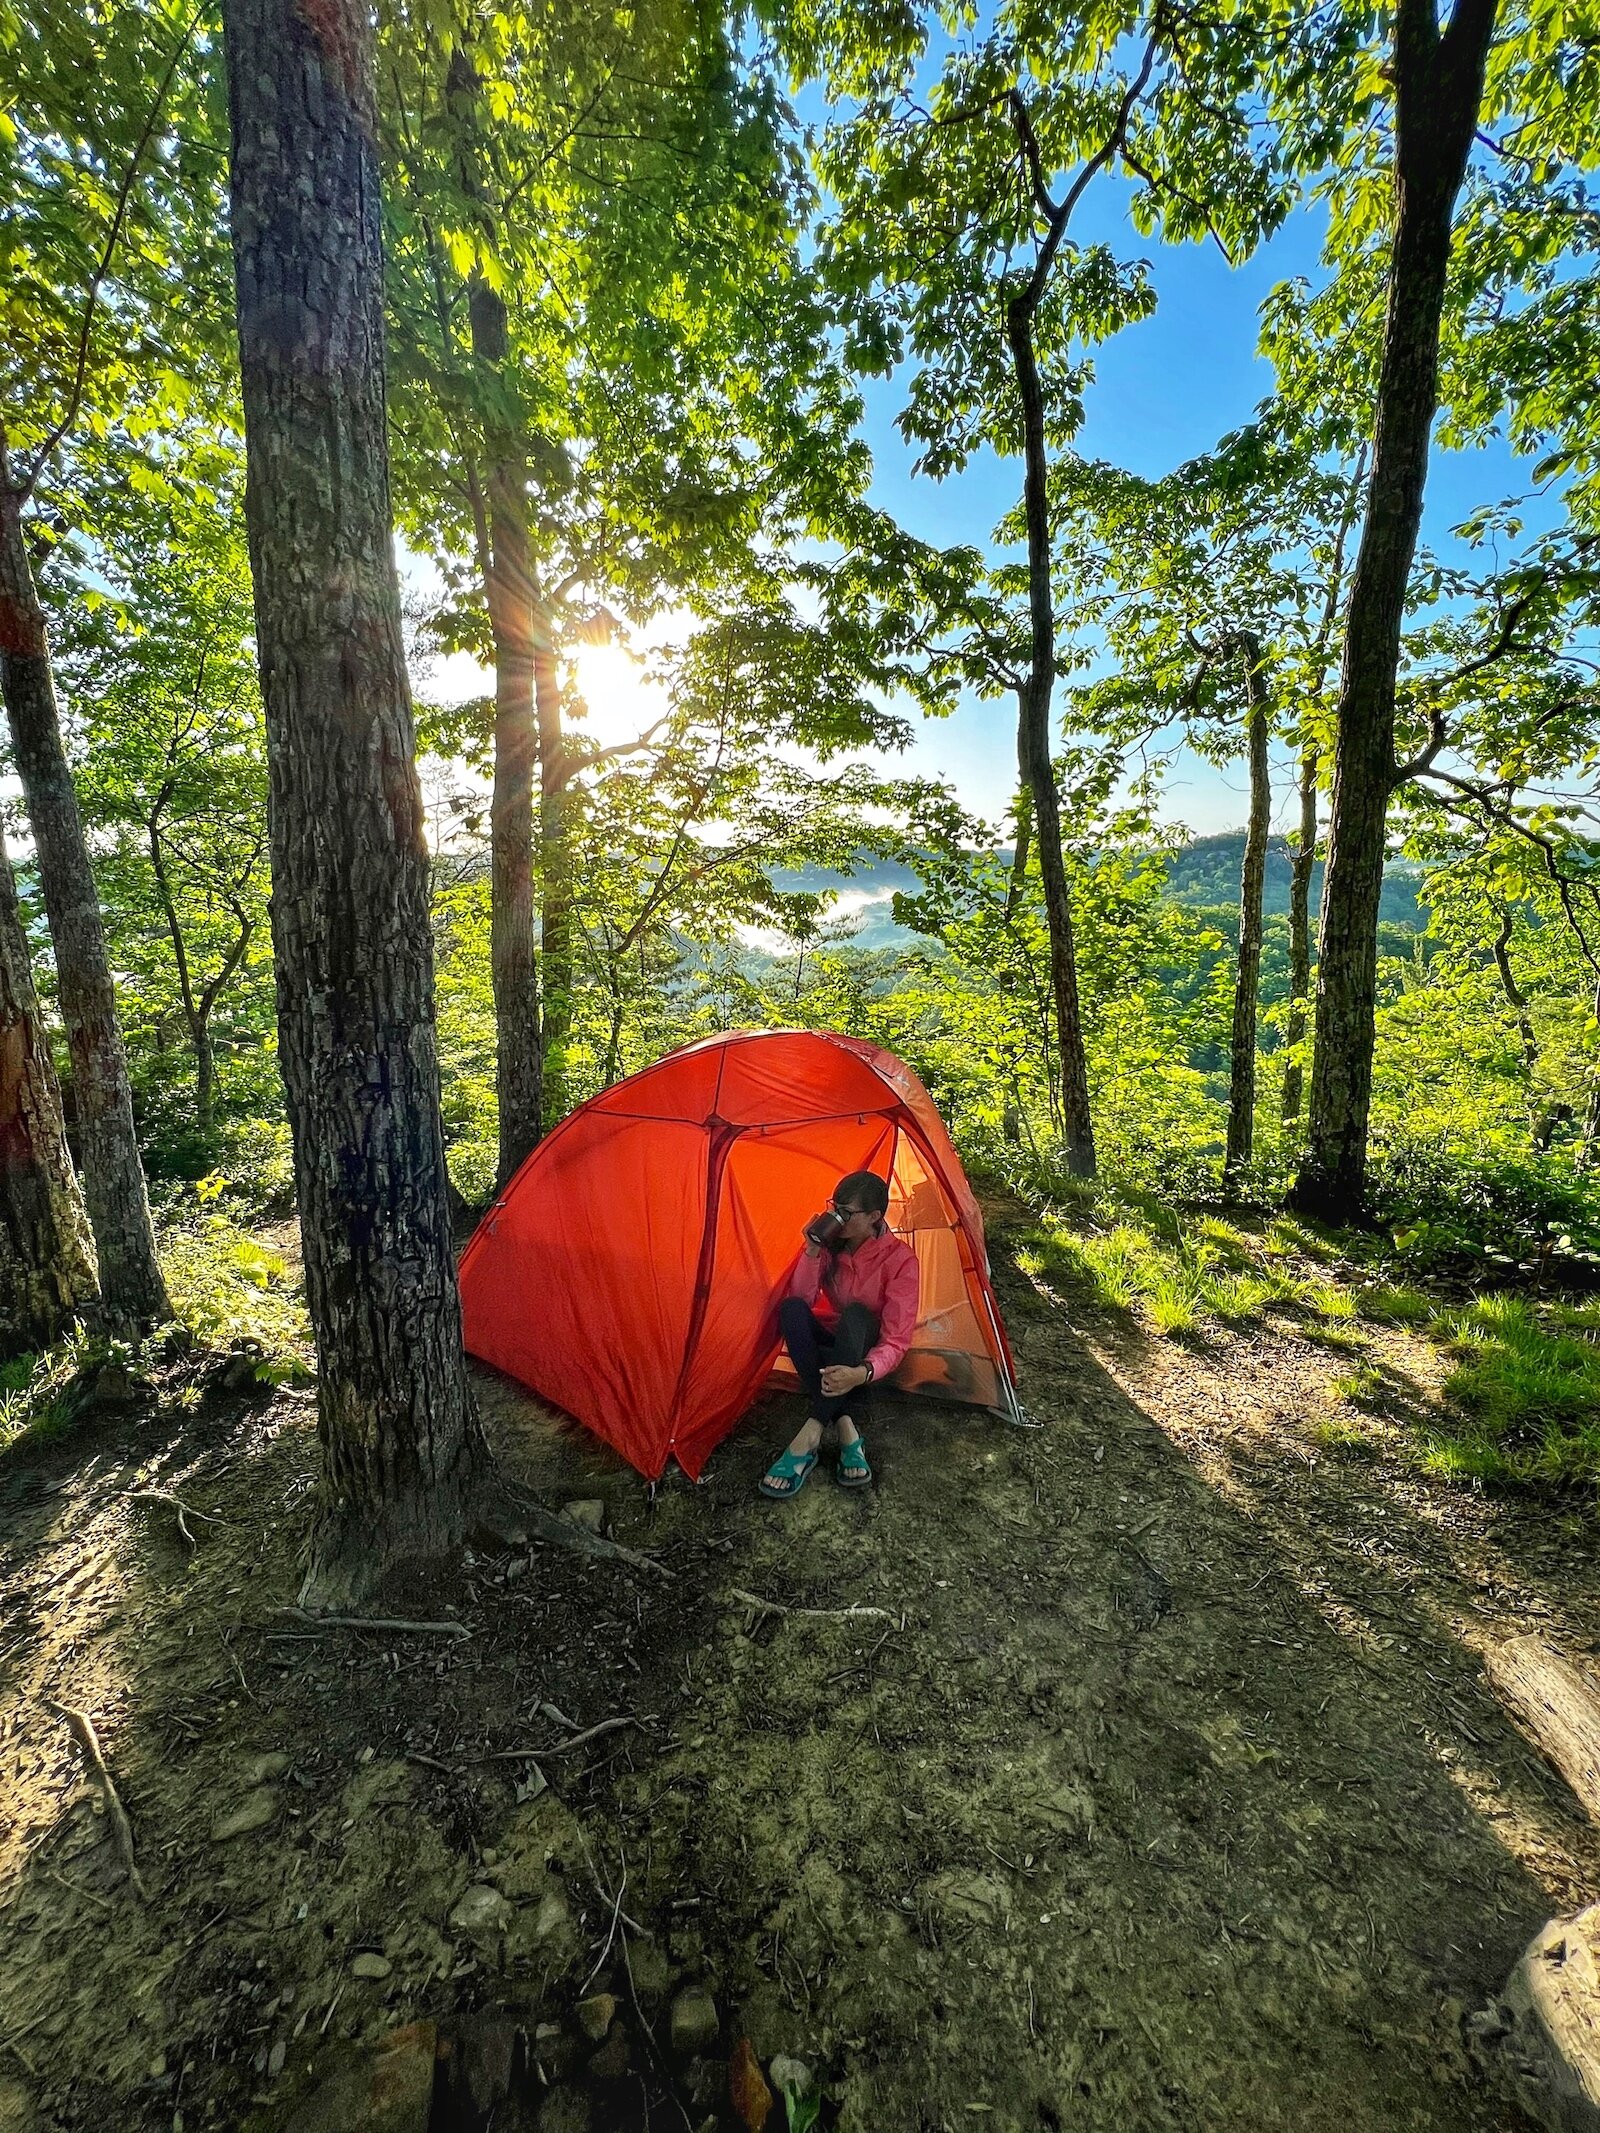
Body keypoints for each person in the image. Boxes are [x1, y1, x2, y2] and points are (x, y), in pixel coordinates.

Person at [759, 1169, 920, 1499]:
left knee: (857, 1313)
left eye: (847, 1212)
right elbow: (803, 1300)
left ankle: (810, 1432)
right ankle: (846, 1425)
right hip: (834, 1343)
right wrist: (812, 1250)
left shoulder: (900, 1260)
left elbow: (897, 1339)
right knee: (790, 1309)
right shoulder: (833, 1245)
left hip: (864, 1347)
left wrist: (862, 1372)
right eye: (835, 1207)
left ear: (874, 1216)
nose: (837, 1217)